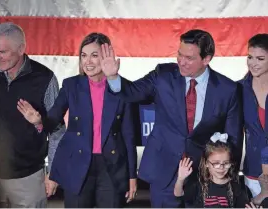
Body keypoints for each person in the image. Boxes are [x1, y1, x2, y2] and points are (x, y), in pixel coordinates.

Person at [100, 29, 243, 207]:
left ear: (206, 59)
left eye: (189, 58)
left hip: (203, 176)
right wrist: (113, 77)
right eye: (179, 54)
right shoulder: (163, 75)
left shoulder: (227, 89)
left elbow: (233, 138)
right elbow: (132, 92)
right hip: (163, 171)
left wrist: (229, 177)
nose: (181, 62)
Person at [17, 32, 138, 208]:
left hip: (111, 166)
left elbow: (129, 135)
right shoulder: (71, 85)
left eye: (94, 55)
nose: (88, 61)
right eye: (84, 55)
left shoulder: (121, 87)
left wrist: (132, 176)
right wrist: (39, 121)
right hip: (78, 164)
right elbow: (53, 120)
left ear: (107, 56)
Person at [0, 22, 65, 207]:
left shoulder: (45, 79)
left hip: (28, 178)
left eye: (2, 52)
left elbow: (57, 131)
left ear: (21, 49)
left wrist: (53, 172)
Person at [174, 132, 249, 208]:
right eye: (216, 163)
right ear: (206, 163)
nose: (221, 167)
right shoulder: (198, 184)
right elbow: (178, 194)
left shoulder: (236, 187)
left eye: (226, 163)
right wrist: (180, 179)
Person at [239, 33, 268, 198]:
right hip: (254, 172)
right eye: (250, 57)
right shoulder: (238, 90)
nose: (253, 63)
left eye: (260, 58)